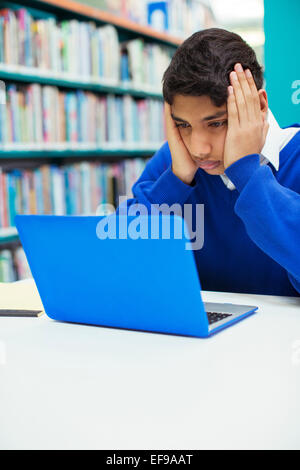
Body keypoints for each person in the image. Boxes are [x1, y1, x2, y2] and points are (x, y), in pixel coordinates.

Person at [118, 28, 300, 296]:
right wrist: (177, 180)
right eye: (183, 125)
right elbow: (121, 258)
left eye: (216, 123)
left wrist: (247, 173)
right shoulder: (177, 160)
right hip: (196, 337)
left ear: (260, 106)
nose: (198, 148)